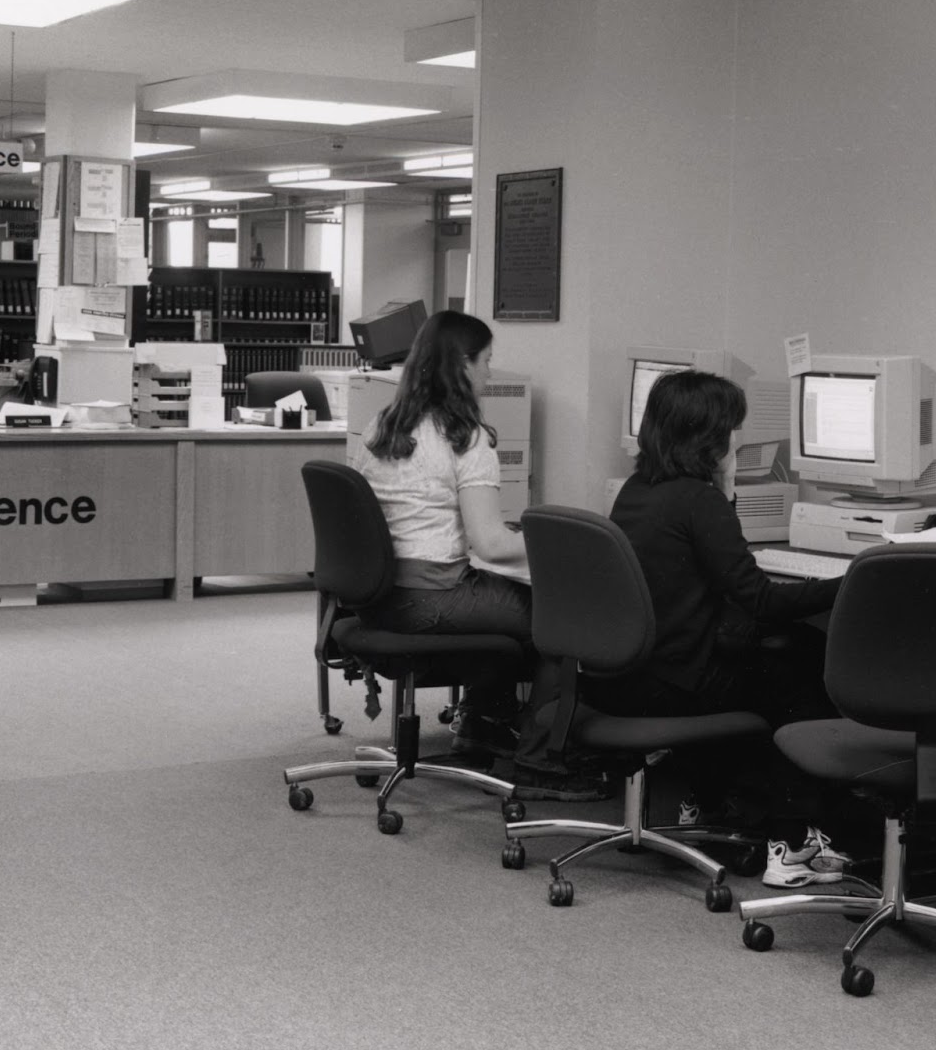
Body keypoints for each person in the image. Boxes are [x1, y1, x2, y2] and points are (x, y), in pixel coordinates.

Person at [606, 368, 856, 888]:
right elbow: (761, 600)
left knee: (783, 655)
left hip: (630, 675)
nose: (739, 437)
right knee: (806, 670)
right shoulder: (698, 501)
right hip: (677, 681)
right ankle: (790, 842)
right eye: (733, 428)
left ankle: (715, 799)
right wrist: (853, 581)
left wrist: (725, 484)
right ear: (711, 434)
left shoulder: (638, 489)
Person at [348, 309, 606, 801]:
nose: (489, 372)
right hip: (433, 595)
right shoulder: (466, 439)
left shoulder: (383, 427)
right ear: (463, 365)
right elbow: (490, 543)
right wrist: (558, 548)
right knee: (563, 624)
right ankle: (539, 762)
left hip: (382, 596)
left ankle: (483, 725)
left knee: (506, 608)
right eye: (486, 361)